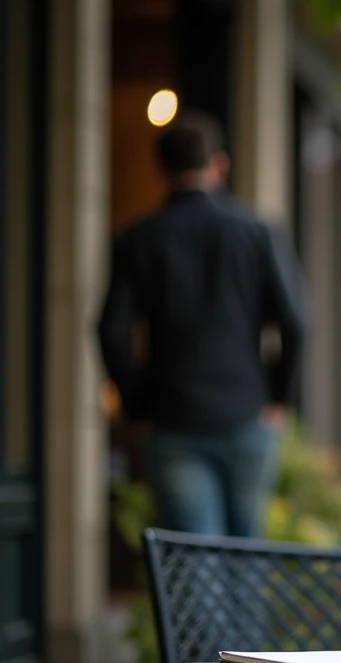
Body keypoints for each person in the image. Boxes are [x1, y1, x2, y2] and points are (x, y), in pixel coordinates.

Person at [98, 110, 308, 538]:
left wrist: (137, 406)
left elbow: (112, 331)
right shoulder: (258, 232)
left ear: (159, 172)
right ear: (219, 166)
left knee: (195, 558)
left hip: (172, 419)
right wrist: (278, 398)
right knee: (246, 552)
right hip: (247, 413)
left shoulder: (137, 239)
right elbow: (297, 322)